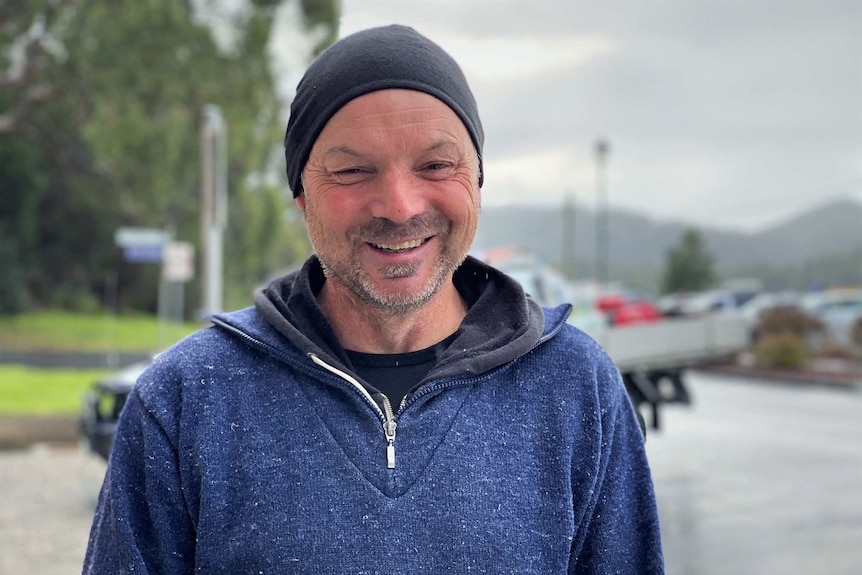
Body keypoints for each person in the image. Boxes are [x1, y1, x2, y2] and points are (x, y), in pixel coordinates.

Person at [83, 24, 663, 574]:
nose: (400, 206)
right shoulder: (188, 398)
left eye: (436, 165)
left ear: (478, 181)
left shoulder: (576, 389)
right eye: (353, 170)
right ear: (302, 198)